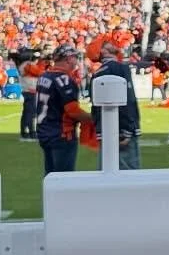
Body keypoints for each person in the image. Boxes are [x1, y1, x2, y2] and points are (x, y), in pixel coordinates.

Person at [91, 38, 142, 169]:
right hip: (121, 128)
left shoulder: (97, 73)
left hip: (105, 128)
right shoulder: (120, 68)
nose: (114, 44)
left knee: (106, 170)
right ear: (103, 51)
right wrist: (128, 128)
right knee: (129, 171)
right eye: (107, 44)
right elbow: (127, 100)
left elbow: (96, 108)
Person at [35, 45, 83, 175]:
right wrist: (93, 118)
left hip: (45, 132)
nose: (76, 61)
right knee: (63, 179)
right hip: (61, 133)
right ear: (68, 59)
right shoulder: (64, 79)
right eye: (75, 57)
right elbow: (72, 110)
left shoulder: (44, 76)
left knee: (50, 176)